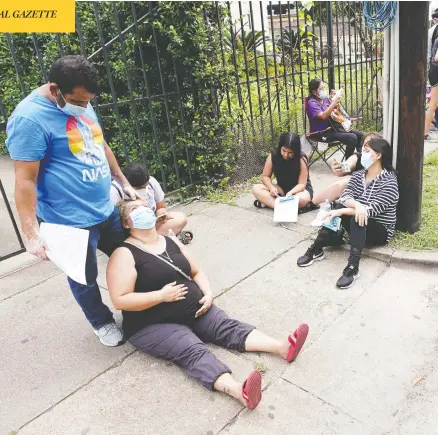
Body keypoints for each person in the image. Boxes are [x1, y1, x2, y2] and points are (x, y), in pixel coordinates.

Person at [106, 200, 309, 409]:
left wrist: (208, 293)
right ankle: (240, 391)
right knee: (191, 348)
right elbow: (119, 299)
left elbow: (196, 272)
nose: (141, 210)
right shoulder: (124, 254)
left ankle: (282, 348)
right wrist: (160, 296)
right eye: (133, 209)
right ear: (126, 223)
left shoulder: (169, 240)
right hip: (150, 323)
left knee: (226, 326)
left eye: (143, 206)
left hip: (194, 308)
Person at [5, 55, 139, 346]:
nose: (83, 107)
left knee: (133, 258)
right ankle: (101, 321)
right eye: (78, 102)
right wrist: (31, 233)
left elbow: (99, 142)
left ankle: (136, 309)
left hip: (104, 209)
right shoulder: (29, 119)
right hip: (68, 221)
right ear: (55, 90)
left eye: (87, 101)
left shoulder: (81, 99)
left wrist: (122, 180)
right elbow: (25, 180)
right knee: (84, 276)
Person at [297, 138, 399, 289]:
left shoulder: (389, 182)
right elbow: (345, 196)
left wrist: (342, 210)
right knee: (344, 207)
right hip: (357, 220)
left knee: (355, 216)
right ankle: (316, 248)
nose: (362, 154)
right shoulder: (358, 176)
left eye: (367, 151)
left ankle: (352, 267)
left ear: (379, 155)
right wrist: (356, 205)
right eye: (362, 150)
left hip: (379, 230)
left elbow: (371, 210)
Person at [111, 162, 193, 244]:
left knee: (180, 218)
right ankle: (163, 240)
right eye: (139, 188)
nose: (143, 189)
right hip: (131, 231)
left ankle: (151, 243)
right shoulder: (115, 190)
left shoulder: (152, 182)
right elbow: (114, 223)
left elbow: (160, 206)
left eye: (145, 186)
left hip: (152, 224)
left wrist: (162, 215)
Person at [311, 132, 382, 206]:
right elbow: (349, 164)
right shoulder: (360, 157)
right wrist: (341, 167)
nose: (365, 149)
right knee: (340, 185)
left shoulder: (385, 172)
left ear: (379, 153)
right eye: (364, 146)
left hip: (373, 200)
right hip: (356, 197)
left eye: (369, 147)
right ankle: (311, 204)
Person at [252, 132, 315, 212]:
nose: (286, 155)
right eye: (284, 150)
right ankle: (284, 207)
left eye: (290, 153)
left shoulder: (301, 159)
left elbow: (301, 184)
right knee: (256, 188)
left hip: (299, 191)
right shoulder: (273, 155)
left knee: (302, 199)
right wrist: (271, 188)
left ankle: (272, 204)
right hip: (281, 188)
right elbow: (265, 176)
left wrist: (291, 193)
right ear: (280, 147)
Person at [306, 78, 363, 159]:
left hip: (334, 128)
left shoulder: (325, 99)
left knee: (359, 135)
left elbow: (335, 109)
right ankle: (348, 163)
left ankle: (359, 159)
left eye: (324, 88)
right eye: (321, 89)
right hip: (321, 133)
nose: (324, 90)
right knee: (352, 138)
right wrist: (333, 102)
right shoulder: (312, 103)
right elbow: (323, 116)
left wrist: (335, 98)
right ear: (314, 92)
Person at [426, 9, 438, 140]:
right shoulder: (432, 32)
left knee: (434, 103)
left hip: (434, 70)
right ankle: (424, 132)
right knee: (433, 104)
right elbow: (435, 57)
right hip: (435, 70)